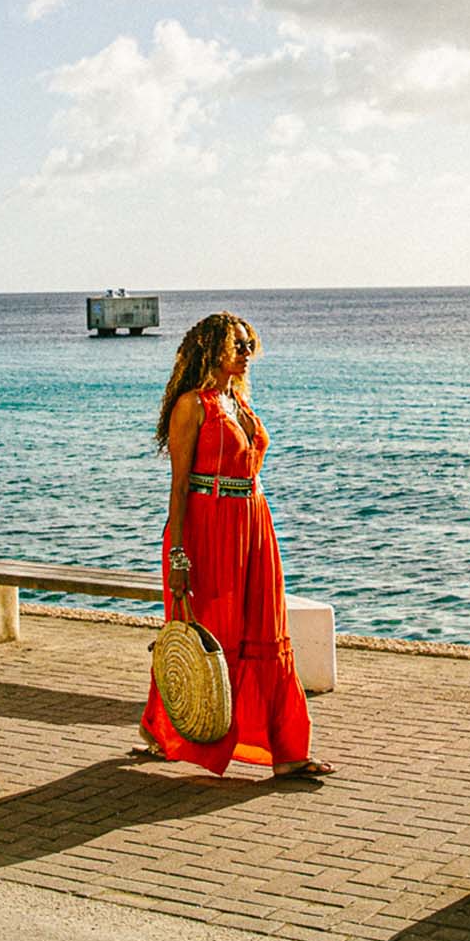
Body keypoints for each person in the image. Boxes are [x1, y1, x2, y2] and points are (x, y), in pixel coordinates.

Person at [136, 311, 334, 779]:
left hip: (254, 522)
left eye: (249, 345)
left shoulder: (239, 402)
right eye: (237, 345)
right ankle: (167, 728)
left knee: (267, 628)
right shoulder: (193, 406)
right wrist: (178, 555)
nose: (247, 353)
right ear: (212, 350)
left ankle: (287, 750)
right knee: (208, 632)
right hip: (208, 526)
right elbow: (178, 487)